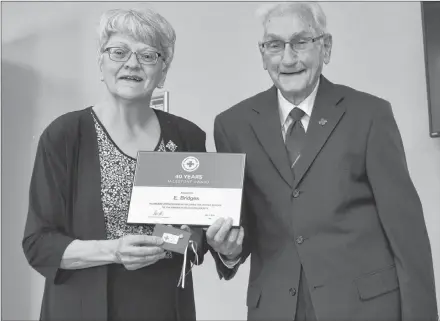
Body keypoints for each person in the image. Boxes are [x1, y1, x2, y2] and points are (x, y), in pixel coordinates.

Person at [206, 2, 438, 321]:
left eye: (301, 42)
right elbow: (243, 226)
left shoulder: (370, 115)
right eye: (274, 45)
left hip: (365, 309)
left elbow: (407, 235)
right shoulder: (232, 125)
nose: (288, 58)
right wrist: (228, 252)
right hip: (276, 309)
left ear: (325, 47)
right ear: (263, 55)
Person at [22, 7, 208, 321]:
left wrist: (183, 240)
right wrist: (114, 250)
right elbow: (39, 244)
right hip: (81, 309)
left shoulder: (187, 136)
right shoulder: (65, 136)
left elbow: (195, 239)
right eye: (119, 52)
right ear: (101, 62)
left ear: (163, 71)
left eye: (148, 55)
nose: (132, 64)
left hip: (164, 308)